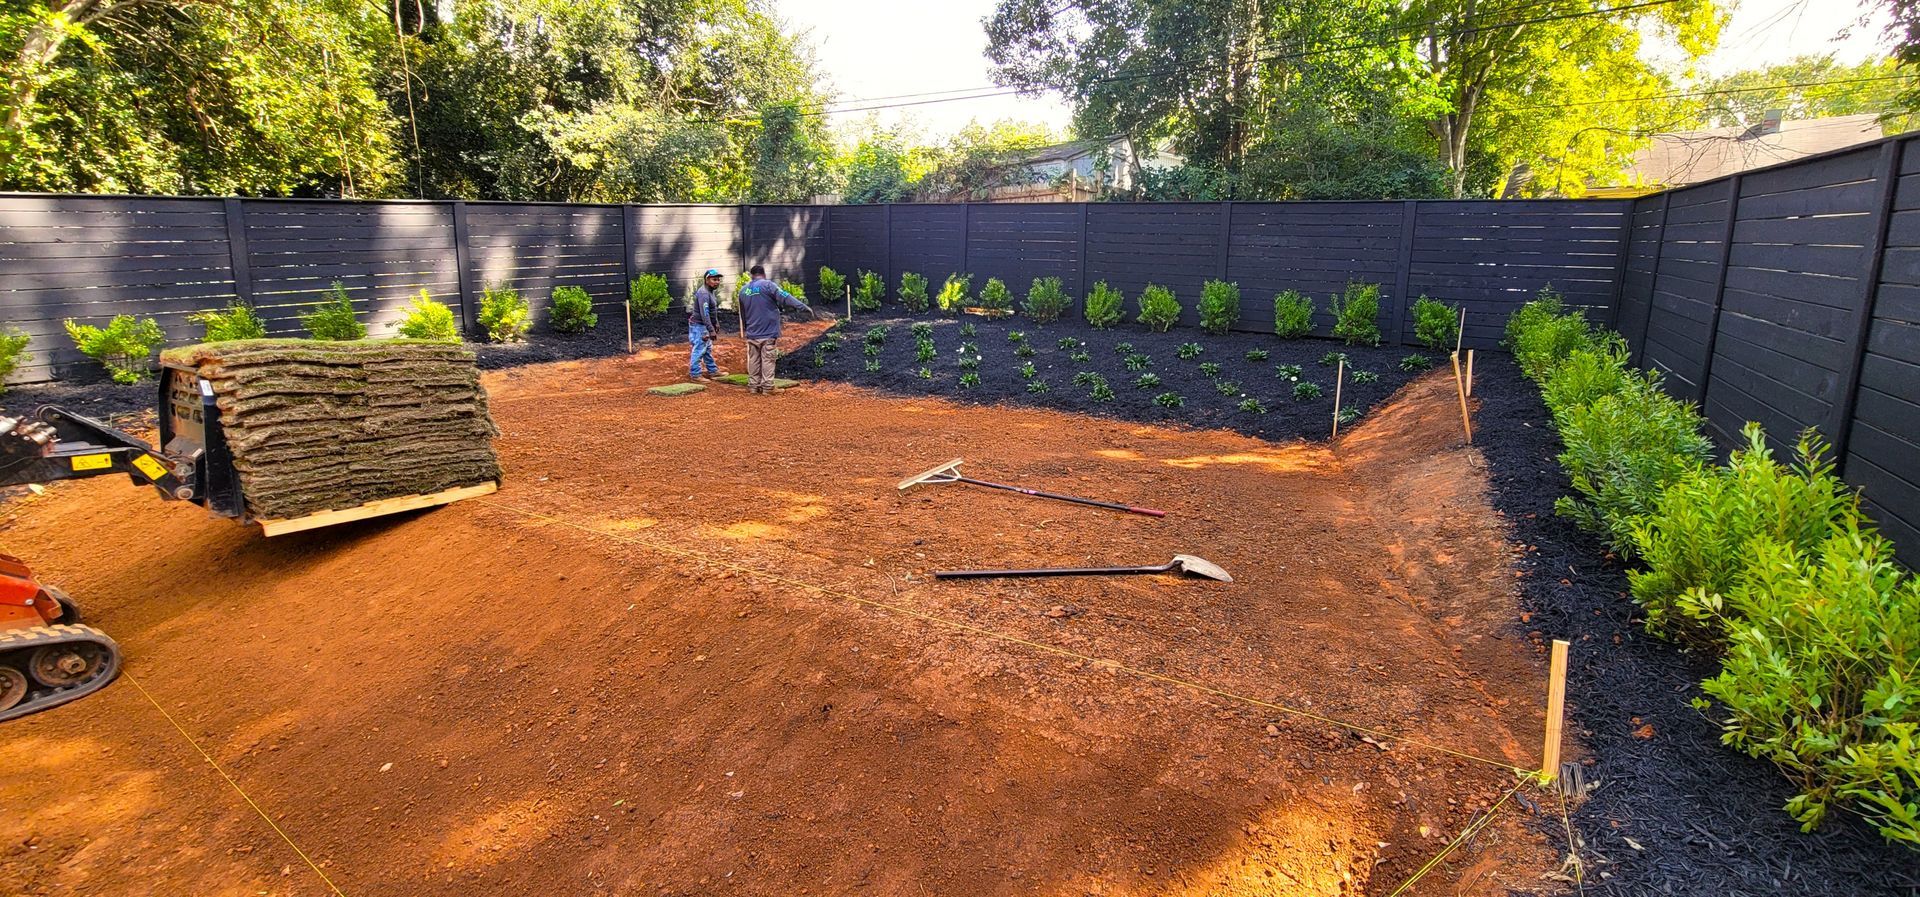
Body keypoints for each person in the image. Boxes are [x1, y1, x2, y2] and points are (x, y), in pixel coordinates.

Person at [736, 264, 811, 394]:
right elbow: (785, 297)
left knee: (753, 359)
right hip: (767, 331)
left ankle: (753, 386)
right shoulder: (768, 285)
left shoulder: (743, 291)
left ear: (751, 276)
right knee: (768, 359)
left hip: (752, 333)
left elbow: (743, 314)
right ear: (764, 274)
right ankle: (768, 387)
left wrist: (747, 328)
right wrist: (802, 307)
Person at [688, 268, 726, 380]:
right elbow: (705, 314)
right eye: (714, 279)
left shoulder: (710, 291)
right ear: (707, 280)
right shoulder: (704, 293)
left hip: (703, 326)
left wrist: (716, 323)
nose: (717, 282)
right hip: (700, 326)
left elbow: (712, 310)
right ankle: (695, 374)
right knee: (699, 349)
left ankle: (712, 371)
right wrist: (711, 329)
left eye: (718, 280)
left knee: (707, 348)